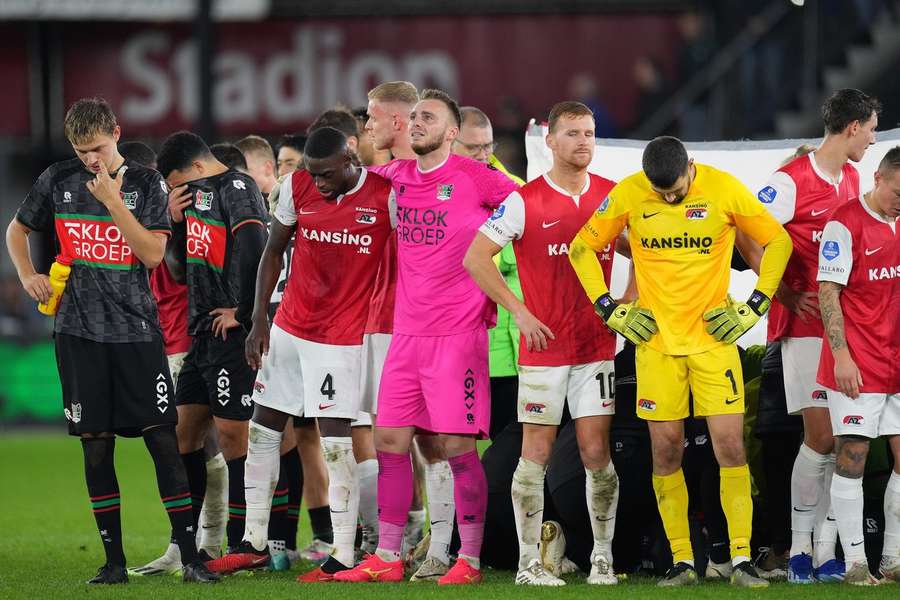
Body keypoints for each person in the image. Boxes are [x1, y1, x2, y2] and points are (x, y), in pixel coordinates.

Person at [5, 98, 218, 584]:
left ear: (117, 134)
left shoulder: (147, 184)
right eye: (81, 152)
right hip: (78, 336)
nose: (90, 161)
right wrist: (28, 274)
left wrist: (112, 202)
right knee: (95, 447)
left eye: (97, 148)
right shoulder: (57, 179)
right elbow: (17, 230)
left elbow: (149, 255)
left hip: (136, 334)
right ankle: (114, 564)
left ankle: (189, 558)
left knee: (163, 442)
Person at [569, 135, 792, 588]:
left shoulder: (724, 187)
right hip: (656, 347)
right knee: (666, 451)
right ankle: (683, 562)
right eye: (662, 194)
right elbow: (581, 248)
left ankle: (742, 559)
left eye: (676, 190)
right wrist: (609, 307)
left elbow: (779, 242)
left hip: (714, 343)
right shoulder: (630, 192)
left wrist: (755, 305)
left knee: (729, 447)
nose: (670, 198)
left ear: (690, 165)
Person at [335, 88, 518, 585]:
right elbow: (345, 182)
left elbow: (530, 215)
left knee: (457, 448)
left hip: (457, 336)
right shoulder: (394, 177)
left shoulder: (480, 179)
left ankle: (470, 560)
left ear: (452, 132)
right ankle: (388, 558)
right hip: (406, 334)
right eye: (413, 116)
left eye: (428, 117)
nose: (416, 123)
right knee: (389, 440)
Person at [205, 127, 395, 579]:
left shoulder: (386, 196)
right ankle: (253, 541)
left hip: (341, 339)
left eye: (328, 174)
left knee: (334, 445)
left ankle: (344, 553)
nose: (320, 183)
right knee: (263, 428)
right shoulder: (297, 186)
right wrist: (258, 319)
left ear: (351, 159)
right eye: (314, 173)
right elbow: (272, 252)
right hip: (290, 327)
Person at [465, 100, 620, 586]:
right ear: (550, 141)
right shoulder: (524, 200)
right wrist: (520, 311)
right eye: (573, 133)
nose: (583, 142)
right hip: (544, 351)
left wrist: (627, 306)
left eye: (590, 133)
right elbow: (476, 258)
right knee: (535, 453)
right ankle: (528, 564)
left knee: (597, 453)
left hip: (597, 349)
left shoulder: (614, 198)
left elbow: (644, 249)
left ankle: (602, 559)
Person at [739, 88, 881, 583]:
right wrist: (780, 294)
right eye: (871, 128)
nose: (873, 138)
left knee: (840, 439)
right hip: (801, 325)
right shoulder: (790, 181)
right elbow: (746, 234)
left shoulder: (854, 178)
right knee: (819, 438)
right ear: (852, 127)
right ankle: (801, 548)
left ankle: (823, 552)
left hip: (845, 329)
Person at [155, 131, 268, 557]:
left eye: (179, 181)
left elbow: (257, 246)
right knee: (183, 433)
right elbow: (181, 273)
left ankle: (243, 541)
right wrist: (174, 223)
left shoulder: (237, 189)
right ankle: (193, 542)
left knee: (234, 435)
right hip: (201, 332)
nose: (178, 190)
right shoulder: (195, 201)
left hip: (231, 335)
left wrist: (242, 312)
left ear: (199, 167)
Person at [363, 81, 449, 576]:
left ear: (398, 122)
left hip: (424, 324)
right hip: (378, 321)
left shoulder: (424, 178)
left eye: (373, 118)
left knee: (436, 438)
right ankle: (400, 541)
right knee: (394, 438)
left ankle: (442, 546)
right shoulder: (374, 178)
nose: (366, 126)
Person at [817, 147, 900, 585]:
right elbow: (828, 292)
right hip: (858, 364)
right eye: (899, 192)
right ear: (878, 179)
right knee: (853, 458)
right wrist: (842, 355)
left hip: (897, 362)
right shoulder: (844, 223)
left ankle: (891, 559)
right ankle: (854, 565)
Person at [454, 106, 524, 440]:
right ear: (451, 141)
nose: (484, 155)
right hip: (457, 344)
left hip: (507, 351)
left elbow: (512, 265)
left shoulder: (516, 191)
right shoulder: (435, 195)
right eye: (474, 148)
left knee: (508, 449)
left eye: (488, 146)